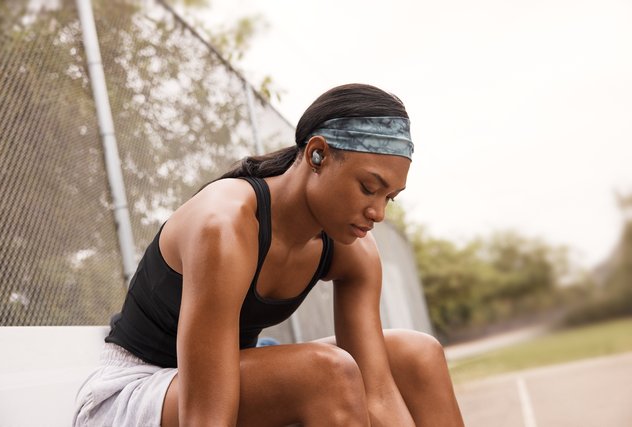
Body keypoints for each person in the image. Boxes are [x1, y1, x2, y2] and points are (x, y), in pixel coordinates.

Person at [73, 83, 464, 427]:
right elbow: (205, 419)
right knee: (326, 373)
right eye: (368, 187)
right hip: (138, 394)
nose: (378, 212)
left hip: (236, 375)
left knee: (418, 355)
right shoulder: (226, 222)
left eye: (389, 198)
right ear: (317, 155)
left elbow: (379, 396)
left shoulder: (354, 250)